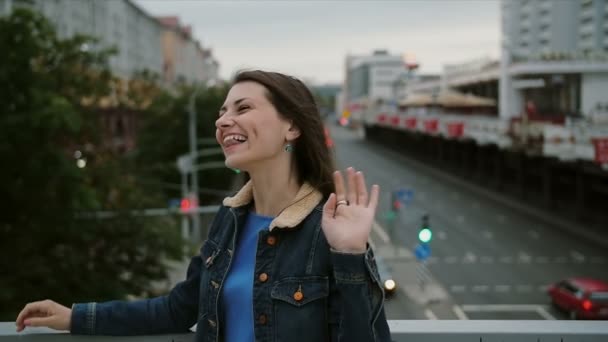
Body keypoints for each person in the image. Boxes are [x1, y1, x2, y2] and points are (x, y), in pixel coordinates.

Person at [15, 70, 392, 341]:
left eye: (242, 108)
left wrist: (350, 255)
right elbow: (177, 309)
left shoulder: (329, 229)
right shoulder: (230, 220)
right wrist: (76, 317)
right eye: (221, 112)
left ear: (291, 127)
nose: (224, 120)